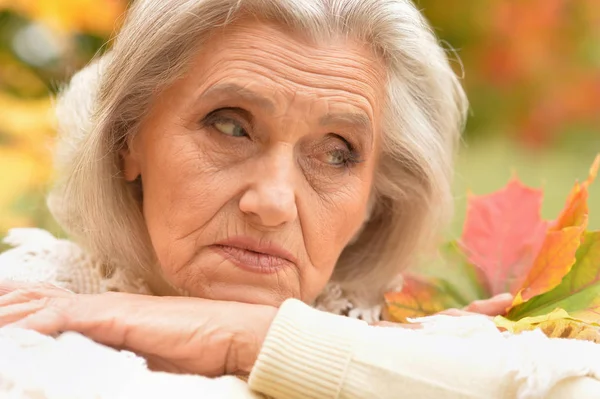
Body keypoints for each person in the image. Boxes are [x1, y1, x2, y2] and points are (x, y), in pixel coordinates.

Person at [1, 0, 600, 397]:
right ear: (128, 140)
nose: (274, 201)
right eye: (229, 126)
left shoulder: (398, 338)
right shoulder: (33, 307)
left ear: (375, 197)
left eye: (337, 152)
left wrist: (250, 339)